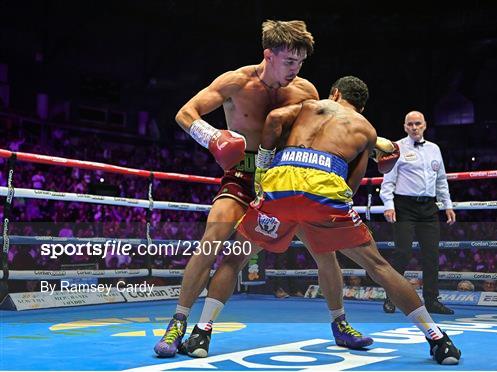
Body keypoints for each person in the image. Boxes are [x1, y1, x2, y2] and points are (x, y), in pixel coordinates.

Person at [154, 20, 366, 358]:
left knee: (324, 252)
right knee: (213, 240)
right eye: (289, 61)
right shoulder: (236, 82)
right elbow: (185, 113)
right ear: (269, 54)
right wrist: (212, 138)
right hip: (243, 171)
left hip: (286, 177)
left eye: (300, 62)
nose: (295, 70)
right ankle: (178, 322)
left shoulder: (306, 91)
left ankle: (339, 323)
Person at [235, 76, 461, 365]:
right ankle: (436, 337)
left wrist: (262, 170)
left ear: (336, 93)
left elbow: (274, 118)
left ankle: (196, 329)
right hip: (321, 197)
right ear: (361, 107)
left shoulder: (305, 107)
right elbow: (351, 190)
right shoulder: (364, 129)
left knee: (238, 258)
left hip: (279, 190)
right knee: (377, 265)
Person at [379, 111, 456, 315]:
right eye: (410, 124)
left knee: (431, 255)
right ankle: (391, 297)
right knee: (402, 253)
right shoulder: (396, 148)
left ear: (424, 125)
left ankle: (432, 300)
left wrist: (447, 204)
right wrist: (389, 204)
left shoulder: (434, 149)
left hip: (429, 207)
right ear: (405, 127)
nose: (414, 127)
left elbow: (441, 179)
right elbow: (388, 180)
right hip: (404, 206)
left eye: (418, 124)